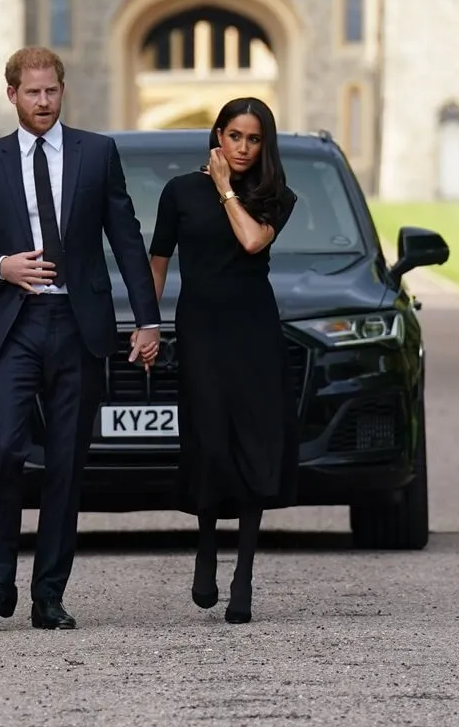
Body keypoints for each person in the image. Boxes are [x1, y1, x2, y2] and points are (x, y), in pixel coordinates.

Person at [0, 46, 162, 630]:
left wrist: (147, 319)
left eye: (52, 91)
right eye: (32, 92)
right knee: (6, 450)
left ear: (62, 91)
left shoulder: (98, 153)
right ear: (11, 93)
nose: (43, 102)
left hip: (78, 325)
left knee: (66, 461)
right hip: (14, 323)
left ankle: (49, 594)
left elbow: (126, 238)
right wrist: (0, 266)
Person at [147, 96, 300, 625]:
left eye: (253, 139)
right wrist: (148, 323)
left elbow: (252, 240)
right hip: (201, 333)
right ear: (217, 134)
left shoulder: (273, 194)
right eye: (235, 136)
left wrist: (226, 190)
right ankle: (208, 547)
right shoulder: (179, 192)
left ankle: (245, 576)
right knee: (209, 441)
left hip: (254, 333)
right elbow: (159, 263)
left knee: (254, 442)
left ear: (265, 145)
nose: (242, 147)